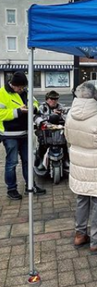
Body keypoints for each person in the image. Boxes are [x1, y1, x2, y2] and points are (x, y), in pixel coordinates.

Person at [65, 81, 97, 254]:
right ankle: (96, 241)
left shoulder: (70, 114)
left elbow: (67, 136)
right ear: (95, 96)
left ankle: (80, 234)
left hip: (78, 163)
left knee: (81, 199)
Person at [0, 71, 46, 200]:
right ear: (13, 85)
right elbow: (0, 113)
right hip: (9, 134)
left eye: (23, 87)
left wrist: (33, 108)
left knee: (27, 161)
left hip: (25, 133)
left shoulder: (26, 92)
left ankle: (30, 186)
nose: (21, 90)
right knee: (12, 163)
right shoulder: (2, 93)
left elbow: (35, 103)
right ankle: (11, 189)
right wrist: (18, 112)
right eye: (19, 87)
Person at [34, 90, 70, 171]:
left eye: (56, 99)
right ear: (47, 99)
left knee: (64, 145)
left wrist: (60, 115)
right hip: (46, 133)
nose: (54, 101)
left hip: (59, 133)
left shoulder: (61, 107)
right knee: (42, 145)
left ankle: (66, 160)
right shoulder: (42, 107)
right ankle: (40, 161)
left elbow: (68, 117)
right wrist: (46, 119)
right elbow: (36, 117)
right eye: (52, 99)